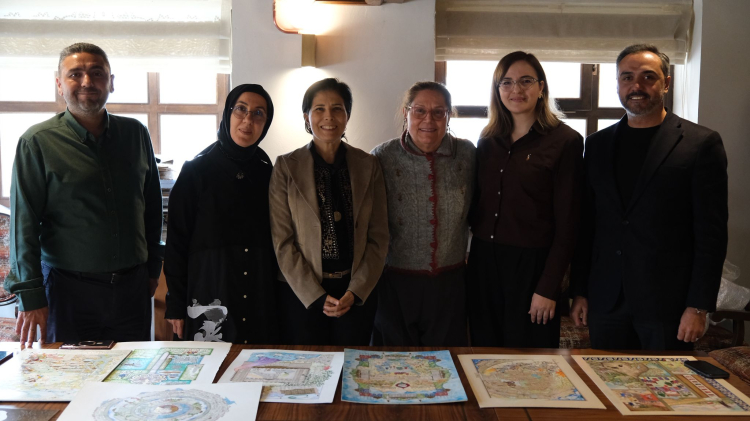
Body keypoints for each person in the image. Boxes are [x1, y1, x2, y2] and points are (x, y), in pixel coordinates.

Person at [570, 44, 728, 350]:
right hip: (606, 300)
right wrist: (580, 291)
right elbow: (588, 226)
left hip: (668, 305)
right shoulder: (598, 145)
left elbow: (711, 234)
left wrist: (698, 306)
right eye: (627, 77)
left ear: (666, 83)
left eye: (648, 77)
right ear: (617, 84)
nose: (636, 86)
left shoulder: (700, 143)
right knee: (604, 378)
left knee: (668, 383)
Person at [6, 43, 163, 345]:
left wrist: (153, 267)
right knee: (66, 373)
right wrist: (30, 295)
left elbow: (152, 209)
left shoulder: (135, 134)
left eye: (97, 73)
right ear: (59, 84)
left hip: (132, 290)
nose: (87, 82)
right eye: (75, 74)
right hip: (67, 293)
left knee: (133, 372)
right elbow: (23, 227)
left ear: (111, 82)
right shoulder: (37, 142)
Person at [468, 51, 584, 348]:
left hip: (533, 268)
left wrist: (548, 287)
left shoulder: (565, 141)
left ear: (541, 87)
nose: (516, 90)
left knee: (531, 361)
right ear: (497, 90)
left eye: (526, 81)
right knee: (482, 353)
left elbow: (569, 225)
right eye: (506, 82)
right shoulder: (487, 140)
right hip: (483, 264)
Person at [269, 78, 388, 345]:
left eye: (337, 108)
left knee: (353, 366)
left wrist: (356, 291)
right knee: (307, 367)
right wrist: (316, 295)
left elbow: (379, 238)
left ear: (347, 115)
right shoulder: (286, 167)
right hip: (301, 295)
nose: (328, 117)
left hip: (355, 295)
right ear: (307, 116)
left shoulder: (369, 165)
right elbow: (282, 242)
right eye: (319, 109)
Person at [164, 84, 279, 344]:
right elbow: (177, 243)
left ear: (266, 123)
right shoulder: (196, 170)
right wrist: (176, 304)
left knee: (256, 363)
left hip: (259, 292)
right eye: (241, 109)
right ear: (228, 113)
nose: (248, 120)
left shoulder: (268, 172)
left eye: (258, 113)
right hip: (210, 290)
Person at [370, 82, 475, 346]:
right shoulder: (382, 157)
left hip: (450, 284)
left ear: (448, 116)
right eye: (420, 111)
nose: (429, 119)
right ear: (406, 113)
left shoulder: (467, 155)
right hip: (395, 283)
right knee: (394, 361)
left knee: (445, 361)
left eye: (439, 112)